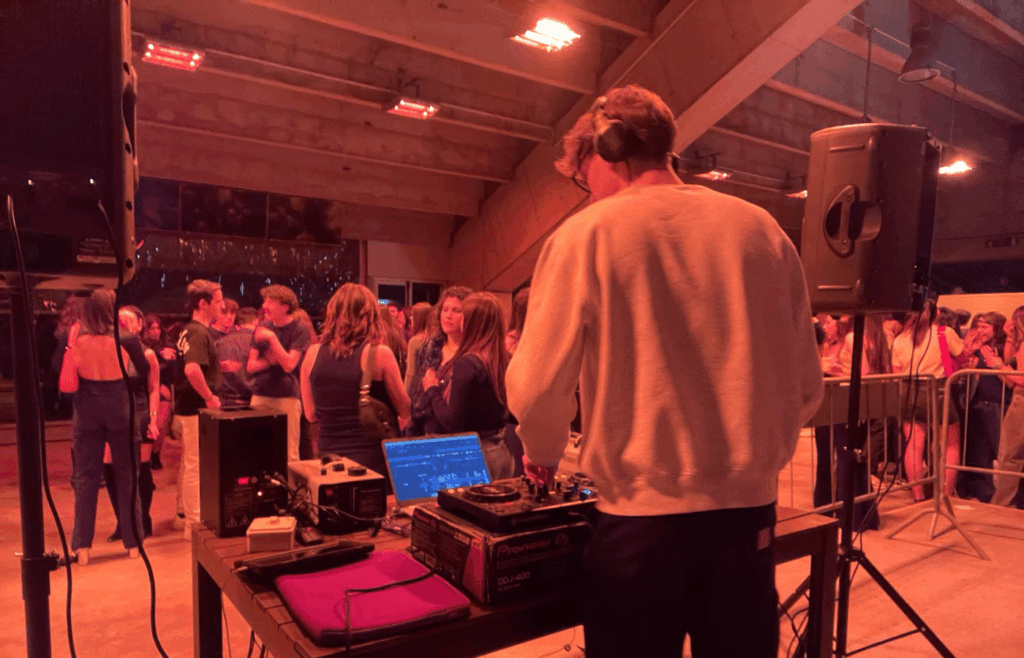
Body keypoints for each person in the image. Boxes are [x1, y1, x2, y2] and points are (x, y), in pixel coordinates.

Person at [505, 84, 824, 658]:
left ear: (607, 148)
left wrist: (543, 449)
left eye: (582, 176)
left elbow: (535, 386)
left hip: (640, 525)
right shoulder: (762, 230)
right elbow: (804, 384)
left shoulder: (586, 235)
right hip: (746, 524)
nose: (587, 190)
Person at [58, 290, 147, 564]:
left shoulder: (74, 336)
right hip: (119, 403)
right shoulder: (126, 338)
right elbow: (142, 370)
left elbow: (64, 383)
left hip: (86, 407)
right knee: (127, 475)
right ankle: (133, 542)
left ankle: (82, 546)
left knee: (85, 477)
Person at [299, 284, 410, 476]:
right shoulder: (380, 354)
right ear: (370, 316)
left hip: (329, 457)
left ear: (333, 315)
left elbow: (310, 415)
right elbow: (405, 410)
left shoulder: (312, 354)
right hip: (373, 461)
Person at [422, 292, 515, 479]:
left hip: (474, 455)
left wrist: (431, 389)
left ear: (469, 322)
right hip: (500, 451)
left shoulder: (468, 363)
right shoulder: (505, 359)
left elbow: (452, 422)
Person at [891, 300, 964, 500]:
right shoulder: (943, 333)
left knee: (914, 446)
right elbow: (962, 355)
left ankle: (918, 496)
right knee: (950, 445)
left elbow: (896, 372)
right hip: (937, 389)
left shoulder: (900, 339)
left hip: (908, 391)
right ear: (935, 313)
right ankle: (946, 495)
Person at [104, 306, 160, 541]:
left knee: (141, 468)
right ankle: (123, 522)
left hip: (140, 412)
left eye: (129, 320)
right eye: (120, 320)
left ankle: (142, 521)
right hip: (114, 413)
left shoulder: (147, 354)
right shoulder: (109, 350)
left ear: (139, 325)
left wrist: (154, 419)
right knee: (109, 465)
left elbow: (154, 389)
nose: (124, 324)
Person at [173, 279, 224, 539]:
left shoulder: (187, 330)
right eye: (218, 301)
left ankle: (182, 514)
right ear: (203, 304)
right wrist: (209, 396)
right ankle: (193, 524)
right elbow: (192, 369)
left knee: (187, 464)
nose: (222, 306)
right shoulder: (198, 333)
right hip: (195, 408)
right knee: (195, 465)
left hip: (185, 407)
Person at [247, 285, 311, 463]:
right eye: (265, 301)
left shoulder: (299, 330)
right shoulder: (261, 328)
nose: (265, 306)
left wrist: (272, 338)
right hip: (260, 393)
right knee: (257, 450)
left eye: (270, 302)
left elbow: (289, 365)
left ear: (285, 307)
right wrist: (270, 361)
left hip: (287, 396)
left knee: (289, 453)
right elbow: (250, 366)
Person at [956, 312, 1008, 502]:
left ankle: (1005, 493)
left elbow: (1010, 378)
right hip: (976, 402)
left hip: (996, 403)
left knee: (999, 450)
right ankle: (980, 490)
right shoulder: (978, 347)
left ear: (996, 328)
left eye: (984, 327)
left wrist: (996, 364)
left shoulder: (1003, 347)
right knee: (977, 451)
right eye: (978, 326)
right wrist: (968, 352)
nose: (979, 330)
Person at [407, 287, 472, 436]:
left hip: (458, 434)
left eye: (456, 310)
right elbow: (417, 391)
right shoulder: (431, 347)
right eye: (445, 310)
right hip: (428, 429)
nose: (448, 316)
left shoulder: (472, 353)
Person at [985, 307, 1024, 506]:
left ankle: (1001, 505)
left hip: (1021, 402)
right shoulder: (1020, 344)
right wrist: (1009, 338)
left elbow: (1020, 378)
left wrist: (997, 365)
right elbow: (1012, 362)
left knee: (1010, 456)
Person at [141, 314, 176, 470]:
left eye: (157, 328)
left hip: (163, 387)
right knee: (149, 424)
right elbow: (145, 369)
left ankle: (155, 454)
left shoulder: (166, 345)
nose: (156, 331)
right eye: (152, 328)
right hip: (147, 387)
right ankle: (148, 455)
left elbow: (173, 370)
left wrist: (169, 359)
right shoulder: (141, 346)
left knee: (161, 425)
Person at [216, 307, 258, 407]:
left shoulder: (220, 343)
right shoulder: (260, 343)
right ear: (256, 322)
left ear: (237, 325)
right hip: (254, 400)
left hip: (225, 401)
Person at [403, 302, 435, 393]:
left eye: (413, 315)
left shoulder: (415, 341)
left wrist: (404, 393)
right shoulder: (436, 338)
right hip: (432, 386)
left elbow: (410, 374)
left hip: (418, 389)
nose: (410, 318)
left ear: (419, 318)